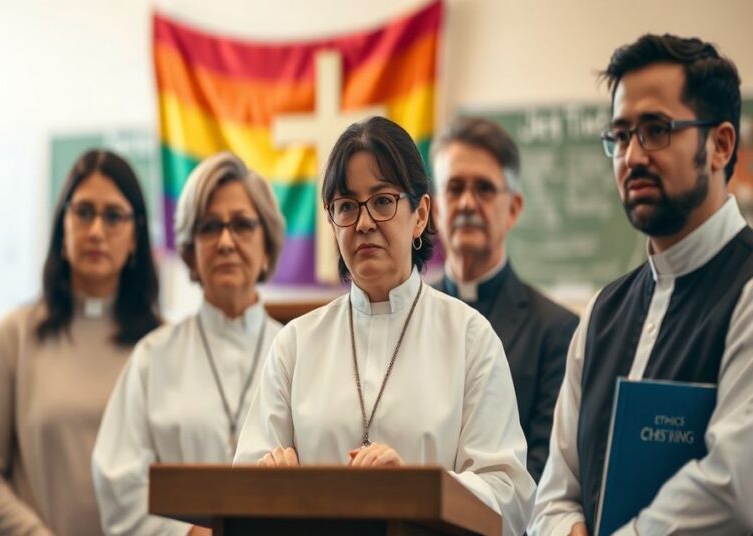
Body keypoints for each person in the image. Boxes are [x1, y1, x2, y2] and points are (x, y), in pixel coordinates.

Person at [234, 116, 535, 536]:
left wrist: (413, 490)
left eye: (382, 201)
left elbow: (510, 500)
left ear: (420, 214)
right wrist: (271, 479)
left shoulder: (470, 337)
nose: (363, 222)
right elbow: (242, 483)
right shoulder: (296, 344)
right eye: (346, 206)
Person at [530, 34, 752, 536]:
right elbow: (554, 494)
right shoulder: (602, 312)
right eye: (621, 135)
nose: (631, 156)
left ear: (719, 145)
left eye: (656, 130)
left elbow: (735, 488)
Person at [0, 149, 161, 536]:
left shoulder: (163, 345)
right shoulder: (15, 336)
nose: (96, 231)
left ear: (136, 235)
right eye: (84, 212)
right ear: (62, 226)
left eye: (114, 216)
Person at [92, 152, 286, 536]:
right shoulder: (153, 358)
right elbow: (118, 484)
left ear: (267, 247)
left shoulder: (298, 352)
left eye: (242, 225)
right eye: (210, 227)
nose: (226, 242)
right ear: (190, 252)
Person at [431, 117, 579, 482]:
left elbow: (547, 468)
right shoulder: (406, 314)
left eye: (483, 189)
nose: (467, 202)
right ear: (434, 209)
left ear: (513, 208)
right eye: (454, 188)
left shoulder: (556, 330)